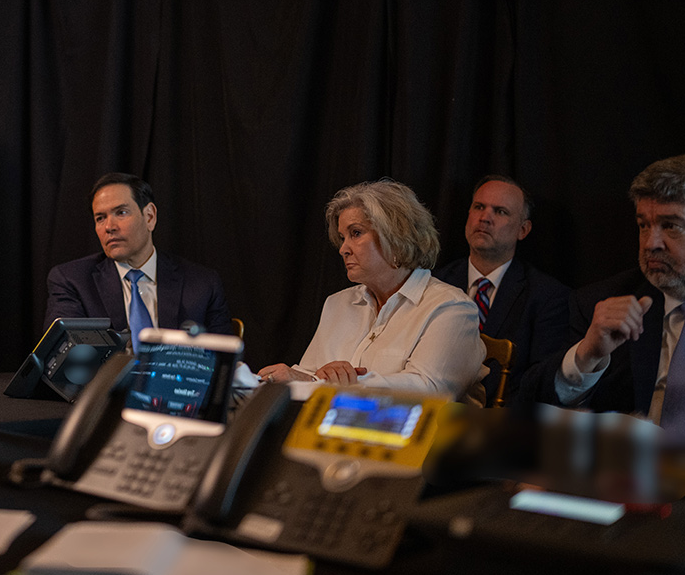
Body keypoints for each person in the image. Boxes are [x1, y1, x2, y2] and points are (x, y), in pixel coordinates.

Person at [259, 179, 484, 397]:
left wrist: (337, 383)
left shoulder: (451, 308)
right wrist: (291, 377)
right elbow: (310, 374)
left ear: (396, 236)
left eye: (355, 233)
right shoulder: (337, 303)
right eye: (342, 237)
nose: (343, 249)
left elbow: (427, 389)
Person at [518, 155, 685, 427]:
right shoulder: (603, 302)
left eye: (670, 226)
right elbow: (533, 404)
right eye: (643, 225)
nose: (651, 243)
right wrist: (587, 356)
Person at [43, 173, 233, 347]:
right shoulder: (72, 280)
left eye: (121, 213)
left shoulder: (203, 283)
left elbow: (223, 361)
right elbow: (65, 358)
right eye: (100, 218)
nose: (109, 226)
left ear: (150, 216)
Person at [432, 175, 570, 397]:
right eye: (479, 207)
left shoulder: (547, 297)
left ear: (523, 230)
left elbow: (541, 384)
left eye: (500, 211)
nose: (485, 218)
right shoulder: (435, 283)